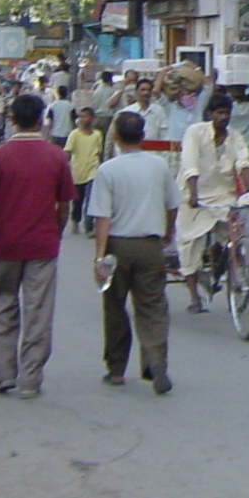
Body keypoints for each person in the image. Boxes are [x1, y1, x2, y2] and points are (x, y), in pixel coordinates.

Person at [0, 93, 76, 398]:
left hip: (5, 243)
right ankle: (30, 378)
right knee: (38, 311)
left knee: (3, 304)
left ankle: (3, 375)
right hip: (43, 244)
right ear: (42, 120)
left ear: (12, 119)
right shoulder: (56, 156)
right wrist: (56, 231)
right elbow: (65, 204)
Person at [91, 111, 179, 394]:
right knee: (152, 307)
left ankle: (116, 370)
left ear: (115, 136)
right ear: (143, 136)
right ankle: (155, 361)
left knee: (115, 307)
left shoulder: (108, 170)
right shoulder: (158, 166)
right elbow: (172, 205)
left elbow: (102, 218)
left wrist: (99, 258)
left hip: (117, 246)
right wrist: (168, 232)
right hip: (150, 246)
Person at [176, 93, 249, 311]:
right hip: (194, 195)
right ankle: (194, 297)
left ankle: (225, 266)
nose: (224, 117)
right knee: (189, 244)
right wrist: (192, 194)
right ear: (210, 114)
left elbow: (243, 163)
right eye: (219, 113)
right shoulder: (195, 133)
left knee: (231, 235)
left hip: (222, 195)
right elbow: (190, 163)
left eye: (227, 113)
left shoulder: (235, 137)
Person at [65, 107, 105, 231]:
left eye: (85, 116)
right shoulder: (74, 134)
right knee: (78, 200)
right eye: (80, 116)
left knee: (91, 198)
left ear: (92, 118)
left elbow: (99, 152)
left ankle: (89, 226)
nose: (81, 119)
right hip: (77, 171)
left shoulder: (98, 134)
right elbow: (68, 151)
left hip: (92, 169)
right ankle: (75, 220)